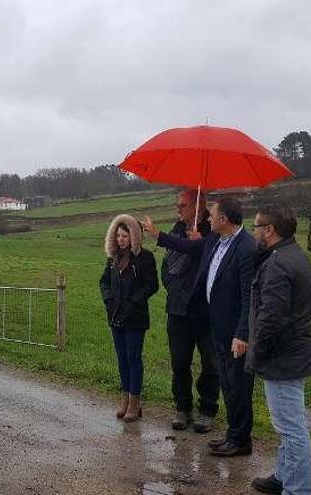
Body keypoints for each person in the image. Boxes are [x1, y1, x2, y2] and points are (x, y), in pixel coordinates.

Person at [144, 197, 257, 456]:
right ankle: (234, 435)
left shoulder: (245, 247)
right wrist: (157, 234)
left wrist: (242, 333)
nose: (207, 218)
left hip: (229, 327)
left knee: (235, 382)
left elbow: (248, 296)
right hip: (206, 319)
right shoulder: (216, 240)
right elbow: (185, 247)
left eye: (212, 214)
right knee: (226, 381)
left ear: (223, 219)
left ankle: (240, 438)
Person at [247, 208, 311, 495]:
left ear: (269, 229)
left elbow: (271, 317)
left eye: (255, 226)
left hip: (282, 356)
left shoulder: (278, 264)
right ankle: (282, 475)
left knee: (291, 428)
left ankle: (298, 489)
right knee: (288, 424)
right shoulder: (294, 256)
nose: (252, 231)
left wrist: (258, 352)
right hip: (294, 351)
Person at [158, 190, 219, 433]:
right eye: (177, 205)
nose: (178, 209)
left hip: (206, 311)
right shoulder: (175, 230)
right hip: (178, 310)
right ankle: (182, 407)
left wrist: (199, 243)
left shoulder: (214, 231)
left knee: (210, 363)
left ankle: (207, 409)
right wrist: (172, 287)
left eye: (182, 205)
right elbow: (166, 266)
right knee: (179, 362)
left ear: (199, 206)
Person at [100, 214, 159, 422]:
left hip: (135, 317)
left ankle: (135, 402)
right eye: (118, 236)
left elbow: (151, 285)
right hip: (116, 315)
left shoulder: (145, 258)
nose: (121, 239)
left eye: (125, 236)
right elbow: (104, 283)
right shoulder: (112, 259)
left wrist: (133, 302)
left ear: (134, 236)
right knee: (122, 359)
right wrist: (110, 300)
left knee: (134, 358)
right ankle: (124, 398)